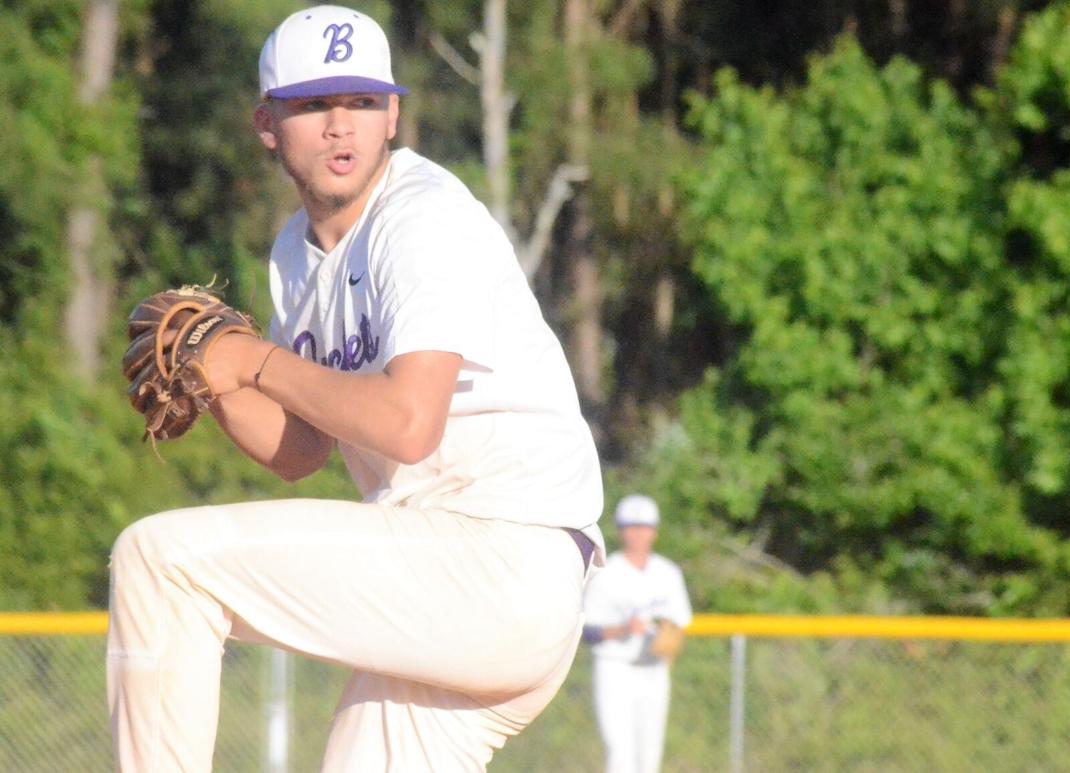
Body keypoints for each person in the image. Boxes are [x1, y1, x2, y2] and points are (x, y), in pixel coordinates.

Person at [105, 5, 604, 771]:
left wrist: (255, 362)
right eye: (315, 105)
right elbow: (303, 449)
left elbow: (408, 424)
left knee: (160, 559)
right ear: (267, 124)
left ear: (393, 114)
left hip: (505, 556)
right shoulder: (293, 255)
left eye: (363, 102)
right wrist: (220, 381)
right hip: (445, 584)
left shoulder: (420, 220)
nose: (342, 125)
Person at [582, 494, 693, 773]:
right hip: (615, 668)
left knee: (650, 754)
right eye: (631, 527)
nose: (638, 533)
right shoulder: (605, 572)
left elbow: (681, 623)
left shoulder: (668, 573)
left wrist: (668, 641)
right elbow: (588, 632)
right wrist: (624, 629)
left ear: (654, 532)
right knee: (619, 753)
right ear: (621, 531)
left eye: (644, 527)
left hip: (654, 669)